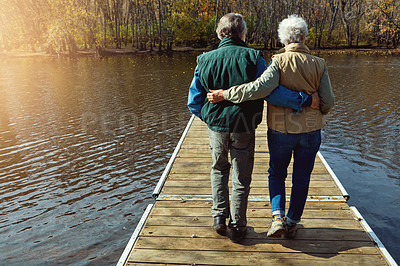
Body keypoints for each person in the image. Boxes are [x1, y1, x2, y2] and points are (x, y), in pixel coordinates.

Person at [187, 13, 320, 243]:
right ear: (243, 34)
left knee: (218, 169)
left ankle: (219, 218)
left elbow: (193, 101)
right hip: (244, 126)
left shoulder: (204, 59)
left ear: (220, 33)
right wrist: (305, 100)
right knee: (241, 177)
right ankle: (238, 226)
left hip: (216, 127)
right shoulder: (253, 56)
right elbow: (269, 89)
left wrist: (209, 118)